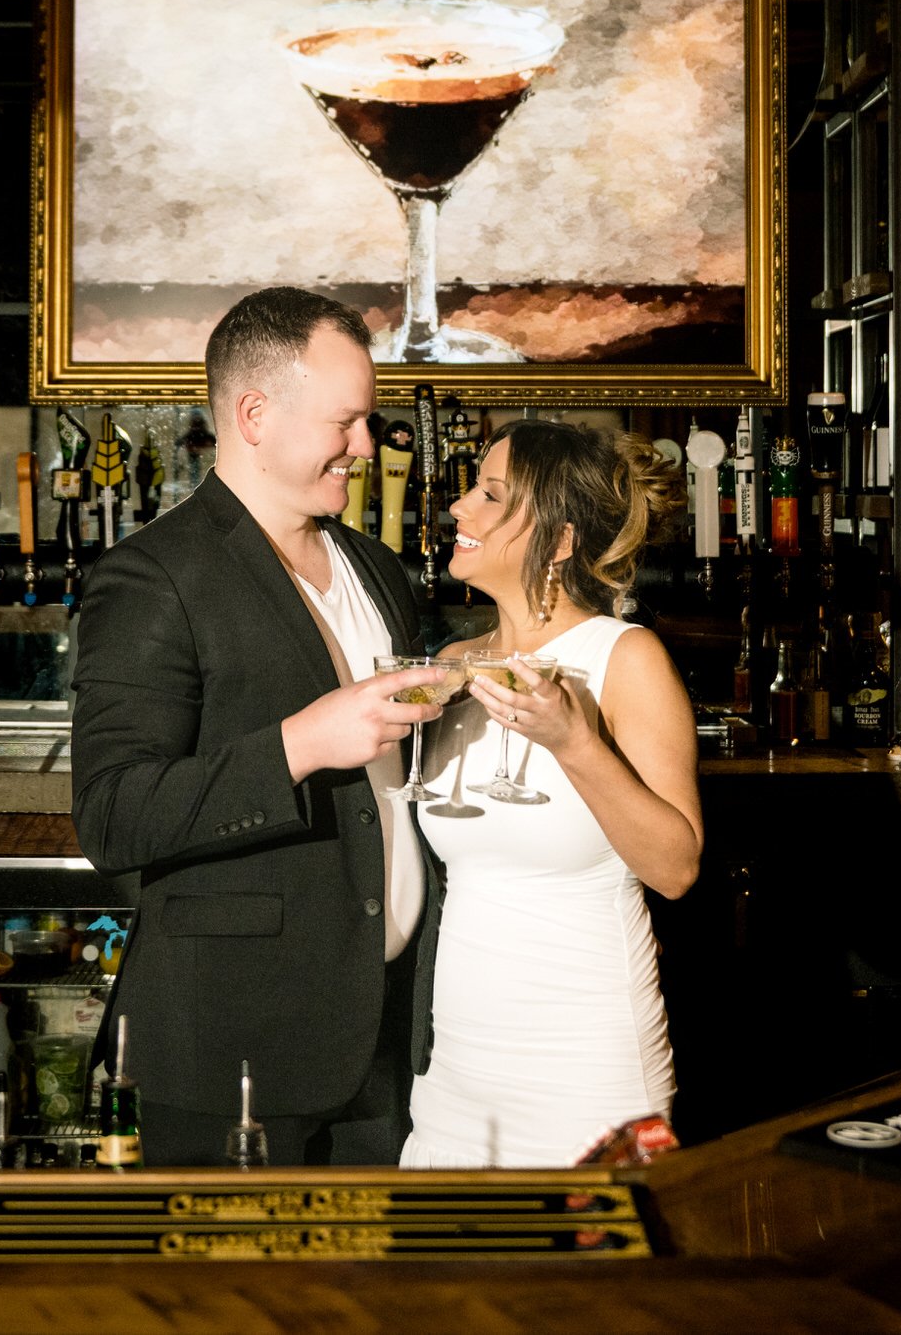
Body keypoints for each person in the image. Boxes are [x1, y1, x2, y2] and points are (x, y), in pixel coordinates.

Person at [71, 287, 445, 1166]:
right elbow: (113, 814)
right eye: (344, 422)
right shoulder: (153, 576)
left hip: (386, 1036)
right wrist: (302, 743)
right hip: (233, 1051)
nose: (365, 446)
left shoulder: (376, 568)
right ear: (253, 414)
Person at [400, 418, 701, 1168]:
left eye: (491, 494)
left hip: (585, 1074)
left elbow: (676, 866)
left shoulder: (626, 658)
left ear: (560, 541)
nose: (460, 508)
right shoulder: (455, 663)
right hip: (457, 1076)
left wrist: (574, 741)